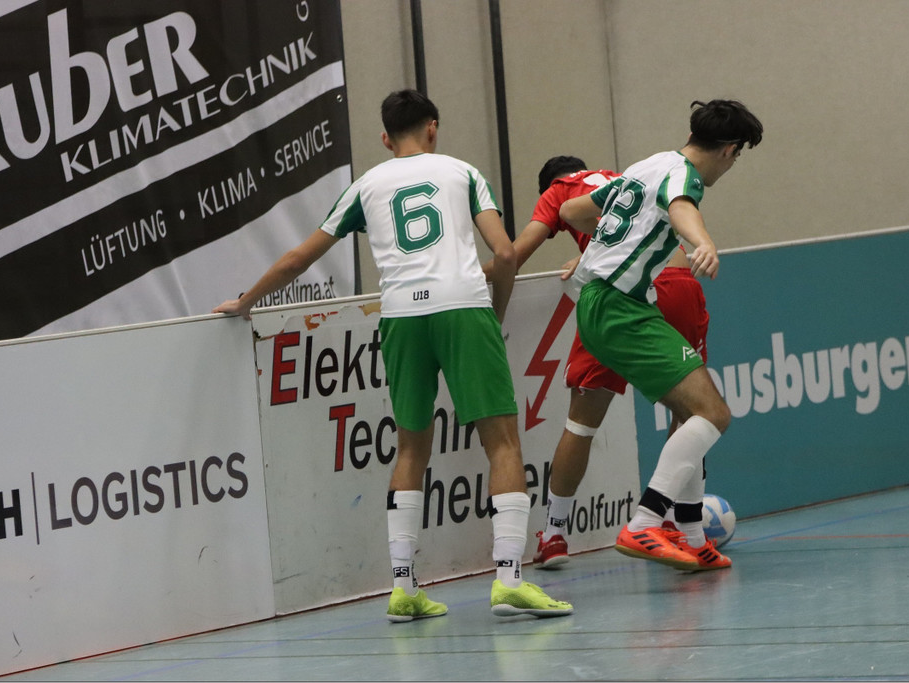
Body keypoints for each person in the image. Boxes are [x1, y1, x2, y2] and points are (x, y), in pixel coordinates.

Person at [213, 89, 572, 621]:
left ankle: (403, 588)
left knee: (410, 447)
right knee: (502, 443)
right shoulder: (463, 173)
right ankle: (509, 580)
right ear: (433, 127)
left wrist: (246, 302)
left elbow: (297, 258)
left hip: (401, 316)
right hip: (462, 308)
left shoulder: (366, 186)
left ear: (385, 138)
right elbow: (503, 253)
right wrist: (494, 313)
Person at [558, 99, 763, 572]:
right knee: (714, 413)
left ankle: (691, 535)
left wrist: (601, 248)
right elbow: (681, 206)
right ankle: (645, 522)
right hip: (619, 308)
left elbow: (571, 210)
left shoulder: (646, 165)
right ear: (729, 150)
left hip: (607, 303)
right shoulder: (684, 178)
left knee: (691, 411)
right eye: (737, 156)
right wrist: (703, 241)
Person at [507, 156, 718, 571]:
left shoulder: (557, 192)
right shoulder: (625, 178)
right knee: (694, 414)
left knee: (581, 424)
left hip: (617, 298)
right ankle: (688, 533)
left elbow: (514, 255)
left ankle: (554, 534)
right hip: (677, 281)